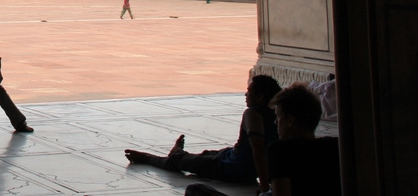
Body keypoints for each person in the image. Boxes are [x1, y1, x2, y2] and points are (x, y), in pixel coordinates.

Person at [125, 74, 281, 187]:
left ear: (260, 97)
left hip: (232, 168)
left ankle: (148, 157)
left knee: (181, 161)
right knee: (207, 154)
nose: (246, 94)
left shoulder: (252, 114)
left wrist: (265, 184)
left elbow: (258, 150)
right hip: (233, 159)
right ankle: (178, 153)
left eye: (249, 91)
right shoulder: (277, 113)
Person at [184, 84, 340, 196]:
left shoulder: (280, 150)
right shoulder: (334, 146)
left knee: (195, 190)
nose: (275, 123)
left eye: (278, 117)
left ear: (290, 120)